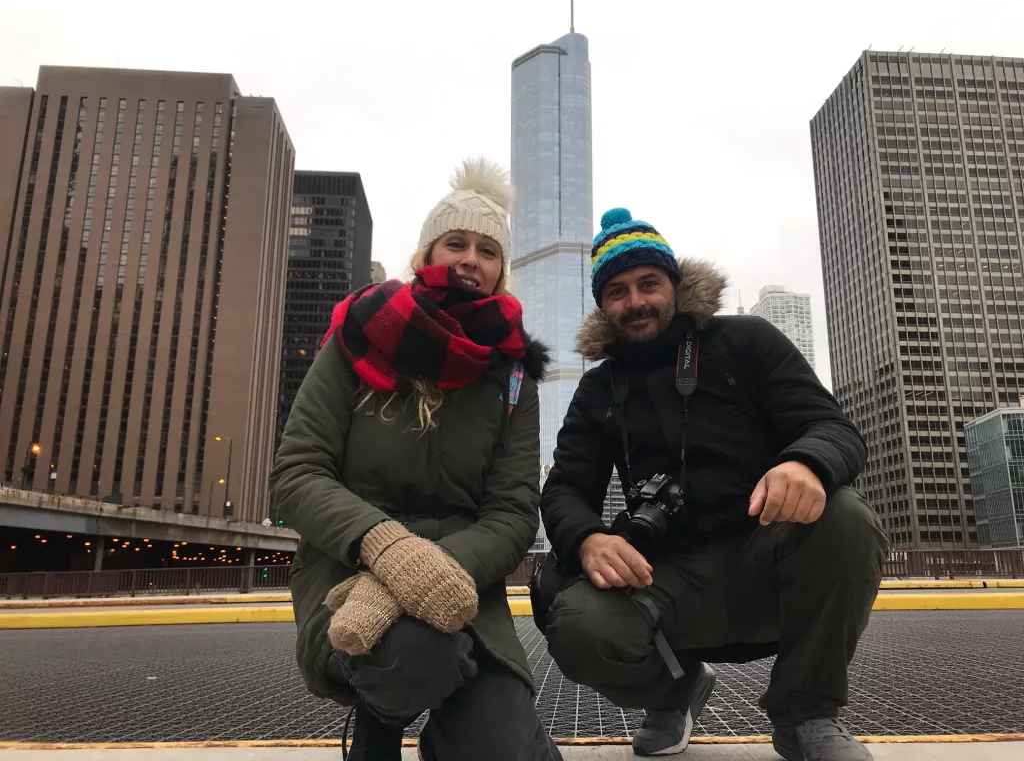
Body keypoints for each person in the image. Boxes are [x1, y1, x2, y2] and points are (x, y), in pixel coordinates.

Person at [536, 207, 888, 760]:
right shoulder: (599, 390)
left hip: (764, 552)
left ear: (674, 286)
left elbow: (832, 428)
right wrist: (589, 539)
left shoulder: (746, 342)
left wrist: (805, 464)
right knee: (574, 619)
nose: (636, 302)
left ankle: (806, 714)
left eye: (648, 284)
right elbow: (563, 489)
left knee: (845, 517)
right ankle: (677, 693)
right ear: (602, 306)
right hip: (664, 573)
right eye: (618, 291)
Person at [270, 158, 561, 761]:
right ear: (426, 252)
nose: (469, 260)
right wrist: (385, 549)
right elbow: (297, 473)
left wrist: (427, 570)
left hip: (464, 582)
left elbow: (512, 511)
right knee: (414, 654)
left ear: (502, 269)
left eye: (487, 249)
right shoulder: (358, 335)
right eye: (455, 242)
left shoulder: (512, 376)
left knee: (497, 750)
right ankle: (378, 721)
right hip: (348, 569)